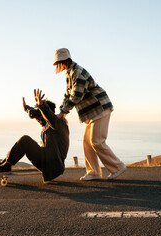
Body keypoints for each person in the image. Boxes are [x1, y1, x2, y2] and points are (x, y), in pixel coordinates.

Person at [54, 48, 126, 181]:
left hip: (100, 108)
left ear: (66, 61)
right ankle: (93, 172)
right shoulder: (69, 74)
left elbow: (76, 95)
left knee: (97, 141)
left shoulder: (78, 72)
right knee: (87, 142)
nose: (59, 67)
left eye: (59, 63)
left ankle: (117, 167)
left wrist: (63, 112)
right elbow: (67, 94)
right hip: (92, 112)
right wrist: (61, 110)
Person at [0, 89, 69, 183]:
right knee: (26, 141)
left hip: (53, 167)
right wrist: (26, 107)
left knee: (25, 140)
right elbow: (33, 113)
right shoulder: (48, 125)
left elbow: (49, 117)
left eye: (40, 116)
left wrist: (42, 106)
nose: (38, 120)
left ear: (46, 114)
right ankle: (3, 164)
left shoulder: (58, 124)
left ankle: (6, 166)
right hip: (47, 161)